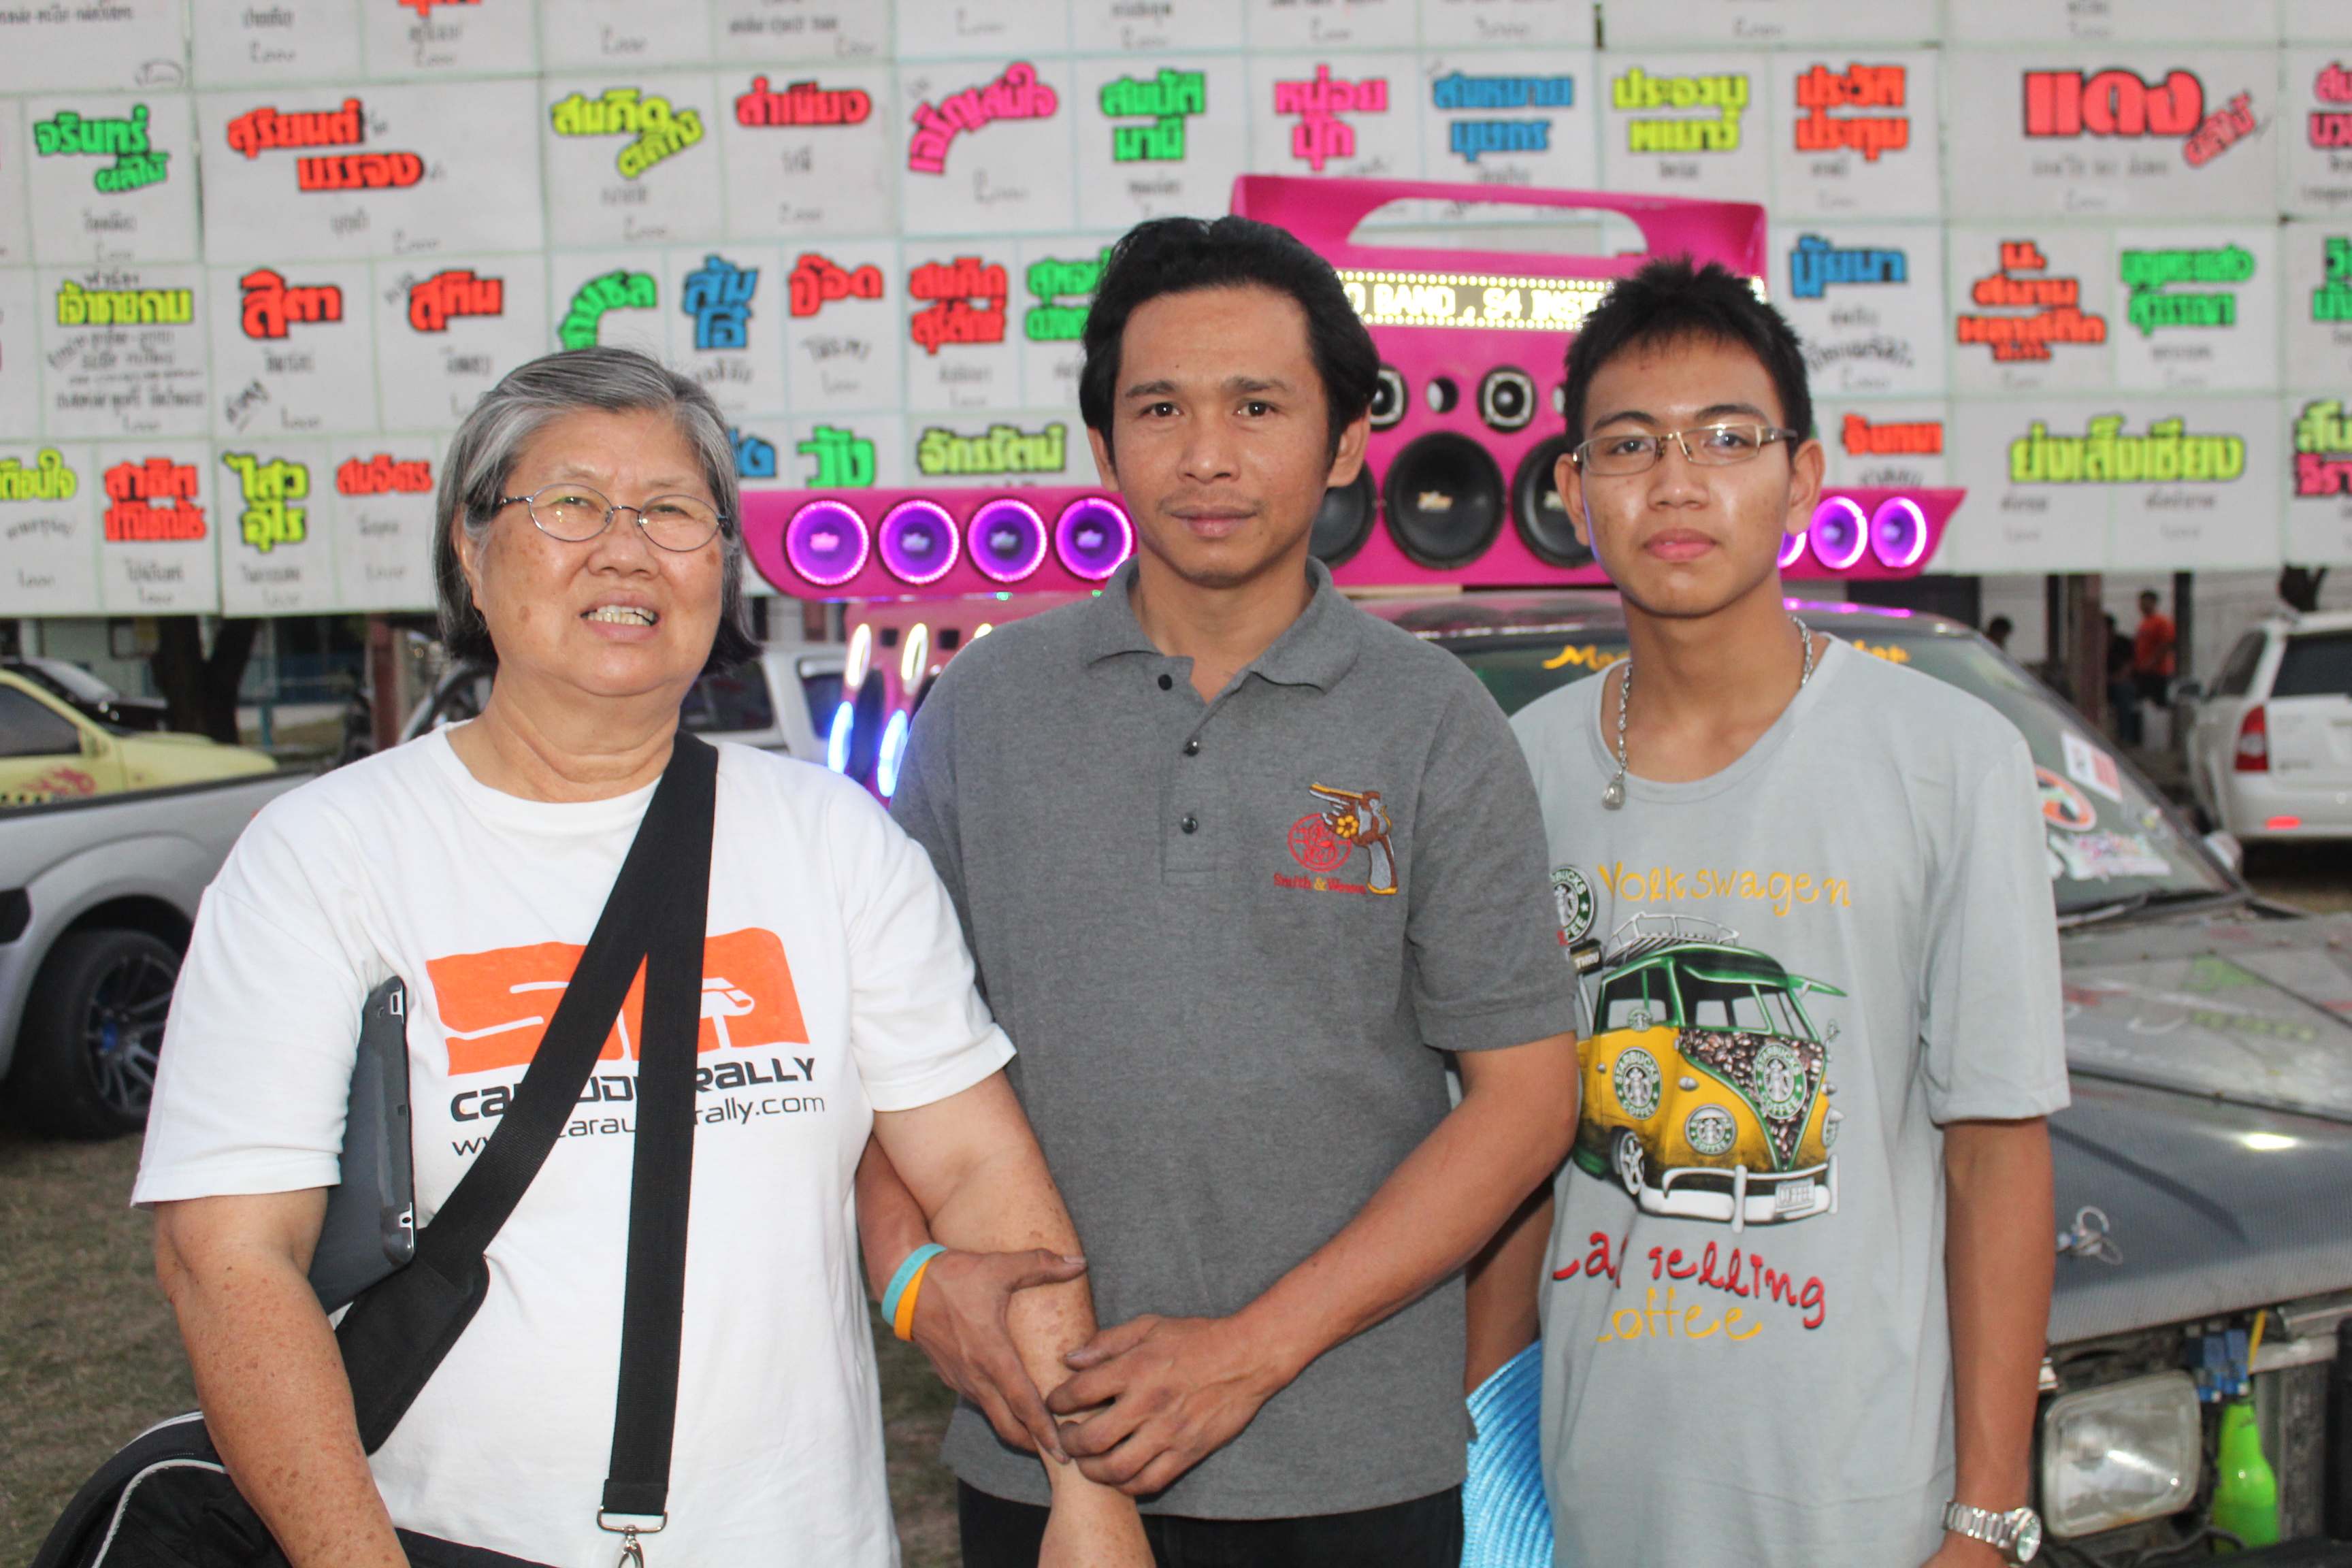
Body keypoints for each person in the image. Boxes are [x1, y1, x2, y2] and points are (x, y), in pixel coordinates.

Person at [133, 346, 1149, 1568]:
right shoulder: (324, 854)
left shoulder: (830, 839)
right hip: (436, 1537)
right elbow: (229, 1258)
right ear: (471, 549)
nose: (626, 550)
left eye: (672, 511)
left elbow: (979, 1168)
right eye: (570, 504)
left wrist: (1089, 1492)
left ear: (720, 561)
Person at [860, 215, 1582, 1567]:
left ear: (1346, 438)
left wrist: (1249, 1351)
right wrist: (909, 1275)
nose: (1207, 455)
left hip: (1353, 1462)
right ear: (1103, 445)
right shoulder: (985, 709)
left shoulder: (1433, 721)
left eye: (1257, 406)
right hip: (1045, 1446)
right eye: (1160, 409)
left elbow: (1528, 1100)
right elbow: (885, 1055)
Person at [1499, 259, 2068, 1568]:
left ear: (1801, 477)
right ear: (1575, 490)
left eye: (1726, 438)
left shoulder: (1949, 756)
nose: (1676, 482)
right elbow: (1508, 1155)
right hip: (1591, 1490)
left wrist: (1986, 1515)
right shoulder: (1519, 771)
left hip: (1862, 1498)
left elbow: (1994, 1151)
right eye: (1630, 444)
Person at [2132, 588, 2176, 717]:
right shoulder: (2143, 623)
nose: (2142, 605)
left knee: (2161, 707)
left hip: (2159, 672)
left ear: (2153, 603)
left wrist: (2151, 662)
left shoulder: (2161, 622)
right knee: (2143, 706)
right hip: (2144, 672)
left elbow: (2167, 644)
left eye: (2145, 602)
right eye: (2141, 602)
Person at [2106, 612, 2142, 747]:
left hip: (2119, 683)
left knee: (2124, 692)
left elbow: (2128, 667)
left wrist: (2114, 679)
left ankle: (2125, 737)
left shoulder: (2123, 644)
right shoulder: (2093, 644)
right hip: (2100, 685)